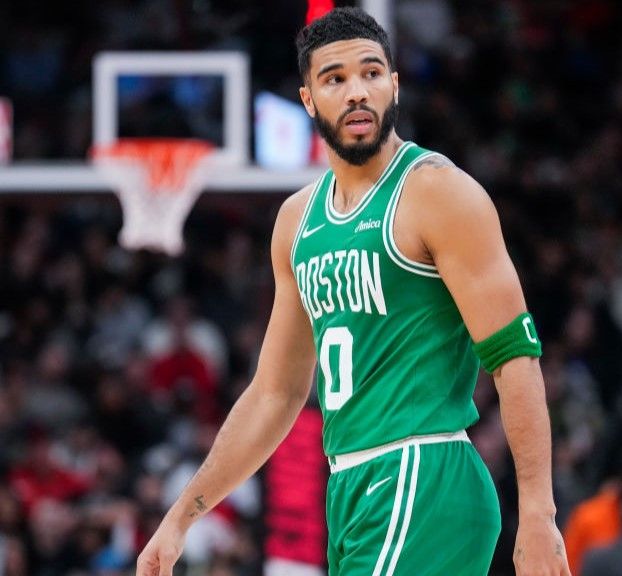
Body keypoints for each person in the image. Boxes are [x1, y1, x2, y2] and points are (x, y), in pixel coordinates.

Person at [136, 8, 569, 576]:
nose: (356, 91)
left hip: (422, 474)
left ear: (394, 84)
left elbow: (515, 355)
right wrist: (182, 515)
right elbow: (275, 394)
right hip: (349, 488)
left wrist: (538, 511)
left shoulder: (437, 192)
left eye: (370, 73)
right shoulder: (297, 220)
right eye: (334, 79)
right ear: (309, 99)